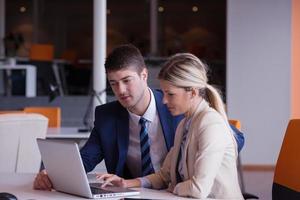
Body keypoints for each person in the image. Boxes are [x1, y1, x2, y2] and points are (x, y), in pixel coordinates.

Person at [33, 44, 244, 192]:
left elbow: (234, 138)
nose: (121, 90)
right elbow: (86, 158)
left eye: (127, 80)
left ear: (144, 75)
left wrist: (201, 161)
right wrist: (51, 173)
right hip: (136, 190)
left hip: (177, 192)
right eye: (114, 83)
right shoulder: (107, 115)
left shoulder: (177, 104)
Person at [98, 53, 243, 199]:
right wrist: (126, 183)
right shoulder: (184, 125)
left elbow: (198, 189)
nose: (164, 101)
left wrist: (174, 187)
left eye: (170, 94)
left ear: (192, 92)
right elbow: (164, 176)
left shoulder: (211, 124)